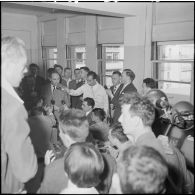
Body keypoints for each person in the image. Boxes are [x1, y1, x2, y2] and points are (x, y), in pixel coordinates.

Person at [1, 36, 37, 193]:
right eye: (23, 66)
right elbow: (25, 170)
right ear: (9, 65)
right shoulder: (12, 106)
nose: (26, 71)